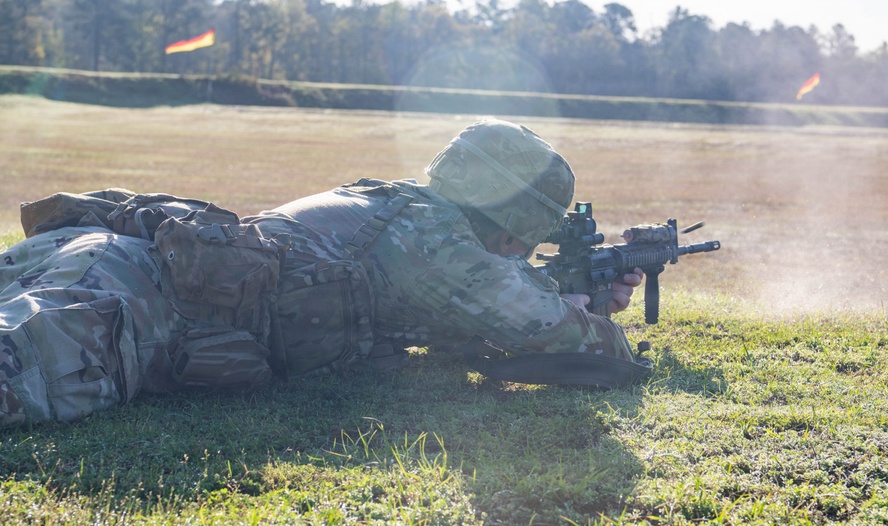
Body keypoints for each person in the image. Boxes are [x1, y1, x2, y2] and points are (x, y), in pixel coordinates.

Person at [0, 118, 644, 427]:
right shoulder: (441, 247)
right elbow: (552, 335)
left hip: (92, 249)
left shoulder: (391, 201)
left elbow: (441, 321)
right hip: (125, 308)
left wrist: (570, 289)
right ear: (511, 222)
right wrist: (590, 317)